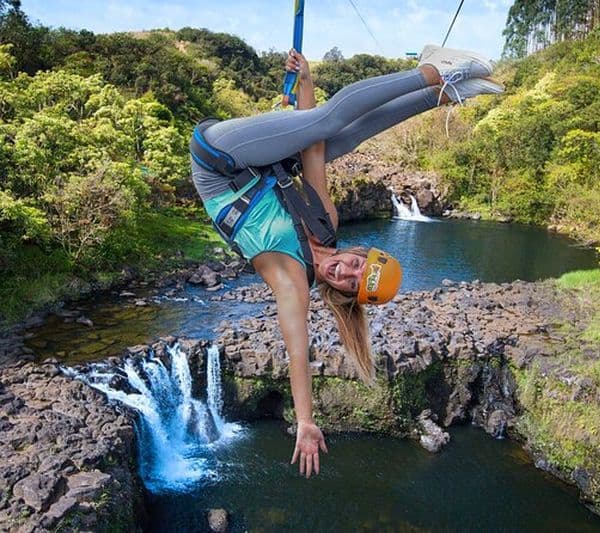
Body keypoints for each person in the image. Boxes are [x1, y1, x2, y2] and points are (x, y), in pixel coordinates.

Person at [190, 45, 502, 478]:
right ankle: (441, 89)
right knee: (343, 135)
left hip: (217, 162)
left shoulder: (291, 278)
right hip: (257, 164)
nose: (346, 271)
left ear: (341, 293)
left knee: (334, 124)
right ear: (359, 253)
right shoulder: (326, 222)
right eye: (359, 265)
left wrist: (304, 420)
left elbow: (297, 350)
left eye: (351, 282)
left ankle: (432, 73)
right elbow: (314, 145)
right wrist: (307, 82)